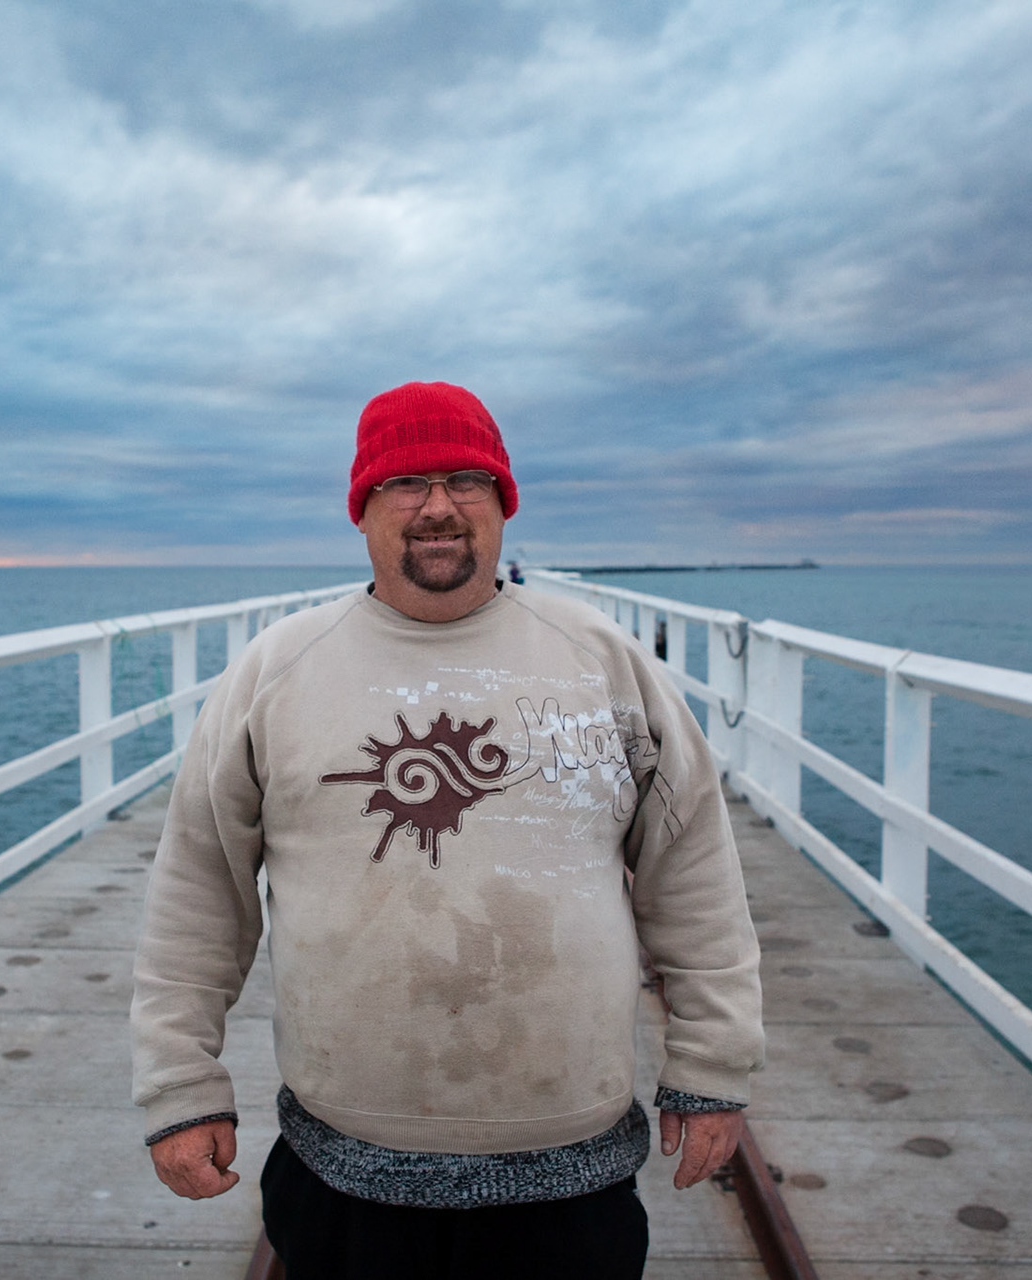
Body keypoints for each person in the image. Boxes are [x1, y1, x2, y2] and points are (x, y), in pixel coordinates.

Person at [131, 381, 763, 1279]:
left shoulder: (603, 658)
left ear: (504, 502)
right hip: (344, 1178)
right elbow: (199, 891)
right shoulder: (277, 669)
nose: (437, 506)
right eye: (405, 482)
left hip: (570, 1183)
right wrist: (179, 1086)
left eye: (467, 479)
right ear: (362, 509)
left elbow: (693, 867)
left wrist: (711, 1064)